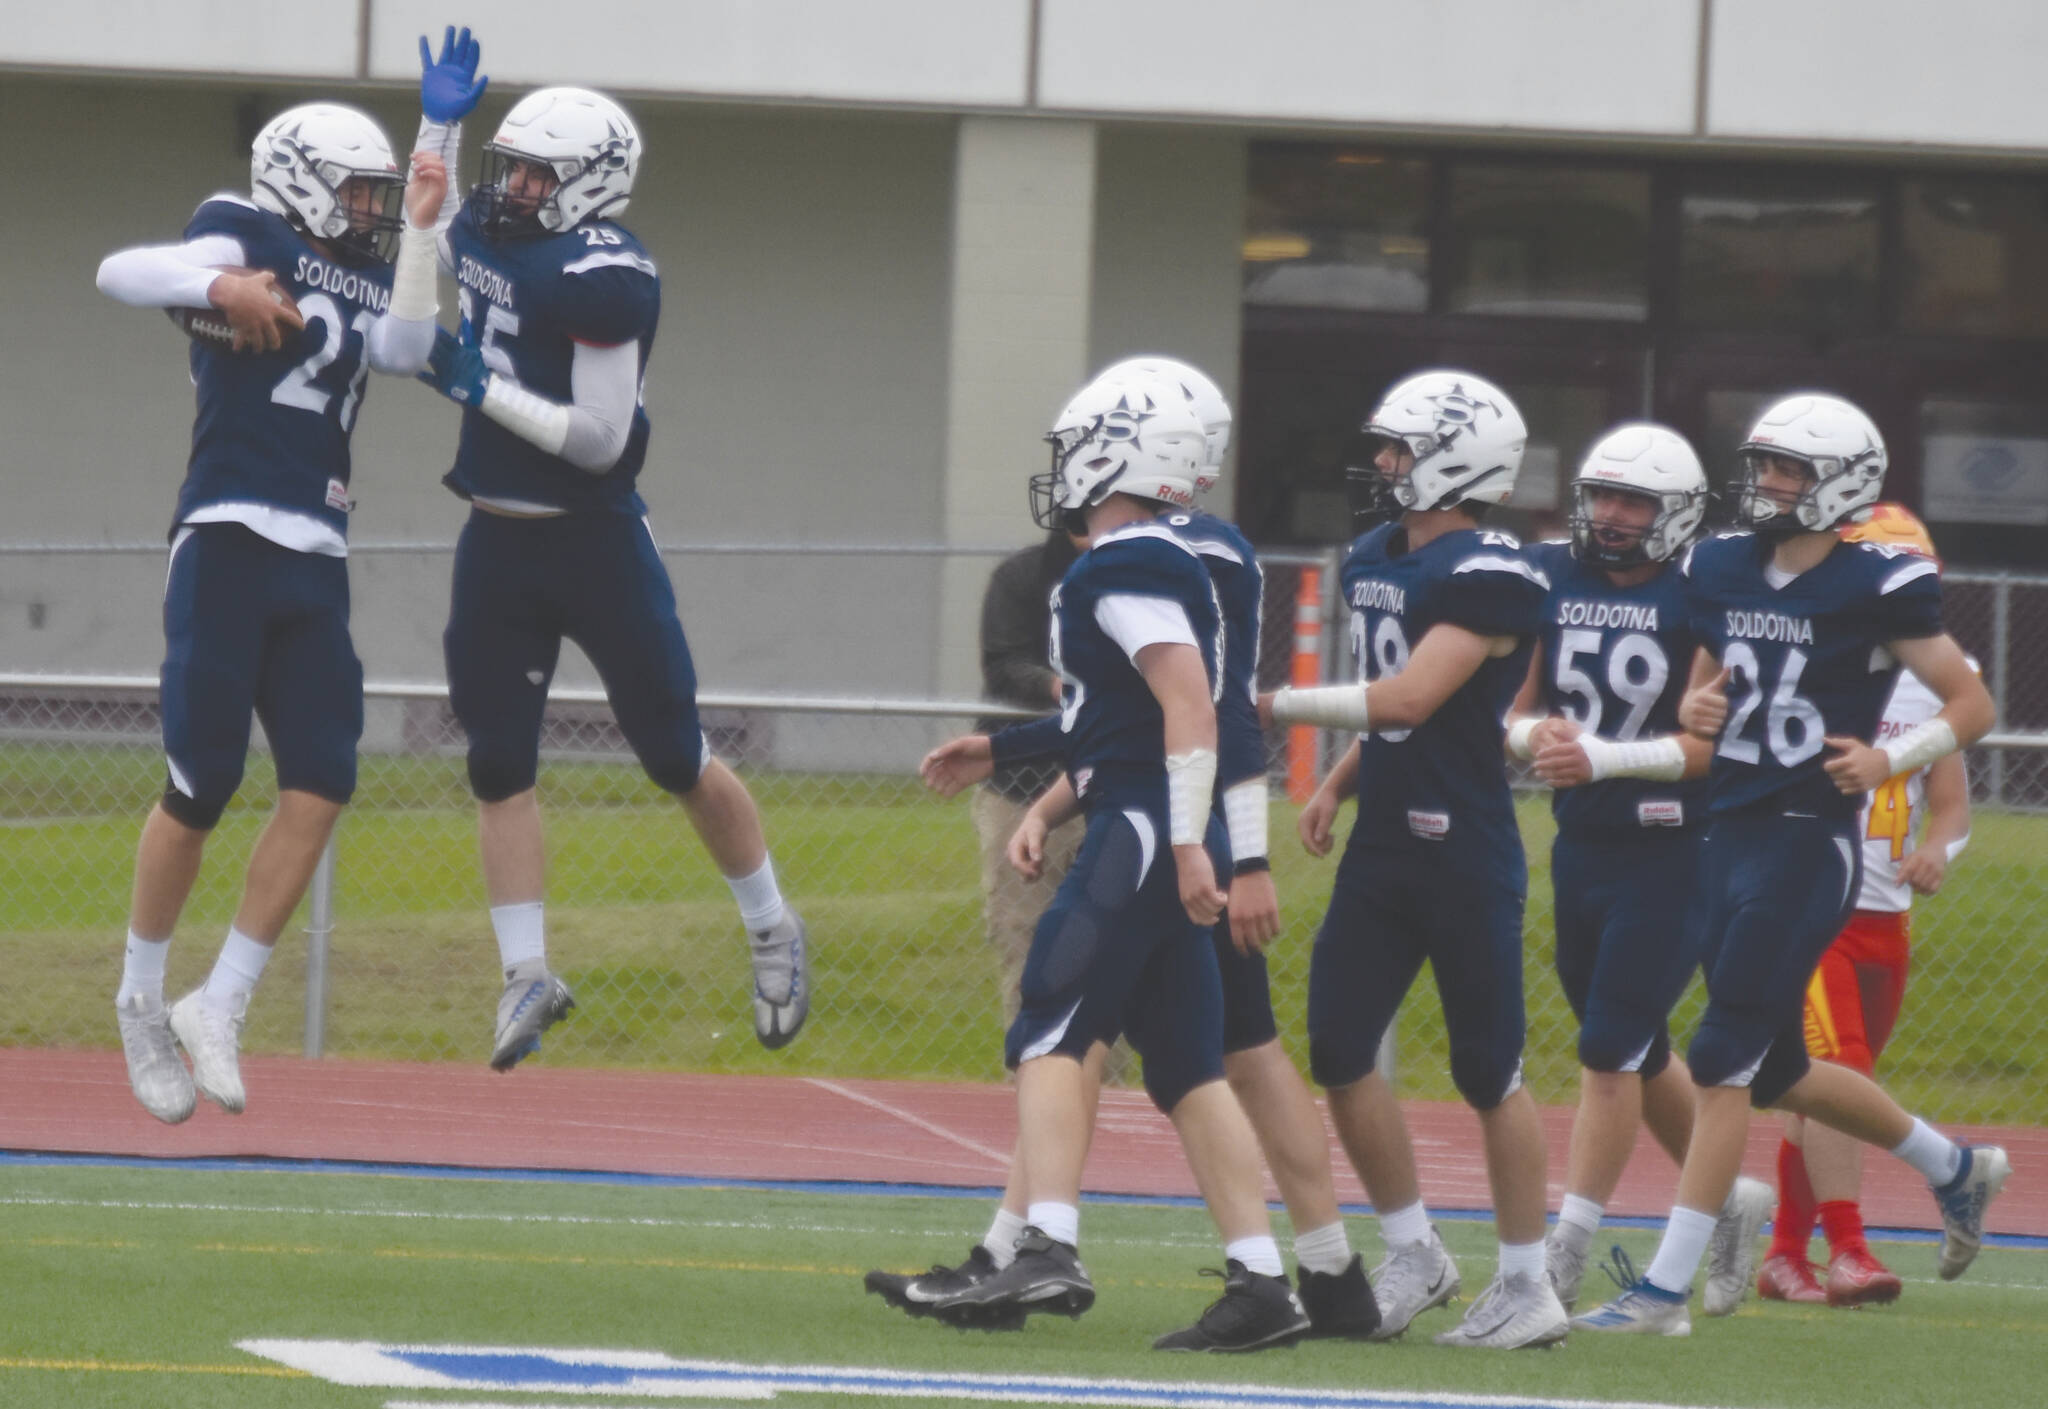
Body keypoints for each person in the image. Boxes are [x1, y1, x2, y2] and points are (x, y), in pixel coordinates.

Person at [873, 361, 1378, 1343]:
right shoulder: (1179, 554)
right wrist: (1027, 767)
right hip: (1147, 809)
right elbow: (1125, 716)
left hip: (1144, 827)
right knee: (1189, 1062)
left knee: (1051, 1021)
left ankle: (1043, 1244)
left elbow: (1189, 709)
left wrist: (1199, 846)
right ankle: (1262, 1281)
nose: (1059, 468)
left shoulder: (1126, 560)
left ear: (1120, 449)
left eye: (1074, 449)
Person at [398, 68, 811, 1069]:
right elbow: (435, 209)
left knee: (674, 750)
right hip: (494, 536)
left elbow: (597, 440)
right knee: (496, 762)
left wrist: (478, 387)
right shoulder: (503, 231)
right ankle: (525, 971)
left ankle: (769, 925)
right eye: (511, 171)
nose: (511, 190)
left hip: (592, 537)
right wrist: (439, 123)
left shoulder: (606, 274)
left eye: (536, 177)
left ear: (587, 186)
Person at [1574, 394, 2008, 1337]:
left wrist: (1891, 759)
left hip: (1808, 835)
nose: (1767, 484)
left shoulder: (1877, 582)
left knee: (1724, 1060)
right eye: (1764, 466)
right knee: (1774, 1068)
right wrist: (1695, 707)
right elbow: (1710, 669)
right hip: (1723, 828)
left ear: (1842, 484)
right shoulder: (1722, 563)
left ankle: (1662, 1292)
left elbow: (1969, 702)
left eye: (1789, 471)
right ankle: (1953, 1166)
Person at [96, 71, 452, 1121]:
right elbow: (119, 269)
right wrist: (223, 289)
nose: (372, 212)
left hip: (317, 547)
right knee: (199, 784)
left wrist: (424, 231)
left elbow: (409, 349)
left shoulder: (373, 273)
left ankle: (222, 1000)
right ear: (298, 185)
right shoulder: (242, 230)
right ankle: (138, 995)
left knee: (323, 777)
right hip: (228, 534)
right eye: (360, 193)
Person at [1268, 370, 1571, 1349]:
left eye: (1398, 447)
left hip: (1463, 849)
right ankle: (1414, 1250)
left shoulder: (1494, 571)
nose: (1382, 464)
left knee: (1488, 1069)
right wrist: (1335, 782)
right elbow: (1384, 706)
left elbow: (1408, 698)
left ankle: (1526, 1281)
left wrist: (1270, 703)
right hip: (1382, 842)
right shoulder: (1371, 555)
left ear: (1455, 457)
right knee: (1338, 1048)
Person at [1508, 424, 1775, 1317]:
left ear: (1678, 515)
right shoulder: (1553, 578)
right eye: (1602, 495)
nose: (1612, 516)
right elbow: (1516, 707)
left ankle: (1566, 1250)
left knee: (1608, 1049)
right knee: (1631, 1040)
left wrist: (1604, 760)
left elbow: (1716, 748)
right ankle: (1729, 1196)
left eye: (1635, 501)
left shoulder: (1705, 594)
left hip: (1677, 845)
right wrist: (1531, 737)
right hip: (1583, 841)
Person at [1757, 503, 1973, 1309]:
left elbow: (1949, 805)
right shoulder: (1807, 656)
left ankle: (1783, 1254)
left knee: (1826, 1093)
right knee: (1838, 1071)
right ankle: (1847, 1247)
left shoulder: (1937, 680)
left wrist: (1936, 853)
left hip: (1887, 920)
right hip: (1818, 903)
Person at [972, 526, 1085, 1022]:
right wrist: (1063, 687)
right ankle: (1033, 1076)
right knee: (1025, 937)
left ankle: (1108, 1091)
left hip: (1114, 789)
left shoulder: (1148, 578)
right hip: (1021, 787)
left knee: (1109, 951)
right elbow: (1004, 664)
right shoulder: (1023, 577)